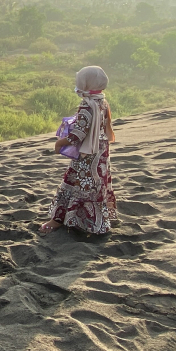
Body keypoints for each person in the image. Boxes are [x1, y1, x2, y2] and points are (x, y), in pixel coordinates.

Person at [41, 66, 117, 235]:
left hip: (87, 156)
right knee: (94, 186)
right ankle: (93, 222)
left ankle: (60, 221)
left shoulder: (87, 105)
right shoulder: (102, 101)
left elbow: (78, 135)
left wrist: (59, 143)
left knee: (76, 183)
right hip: (100, 153)